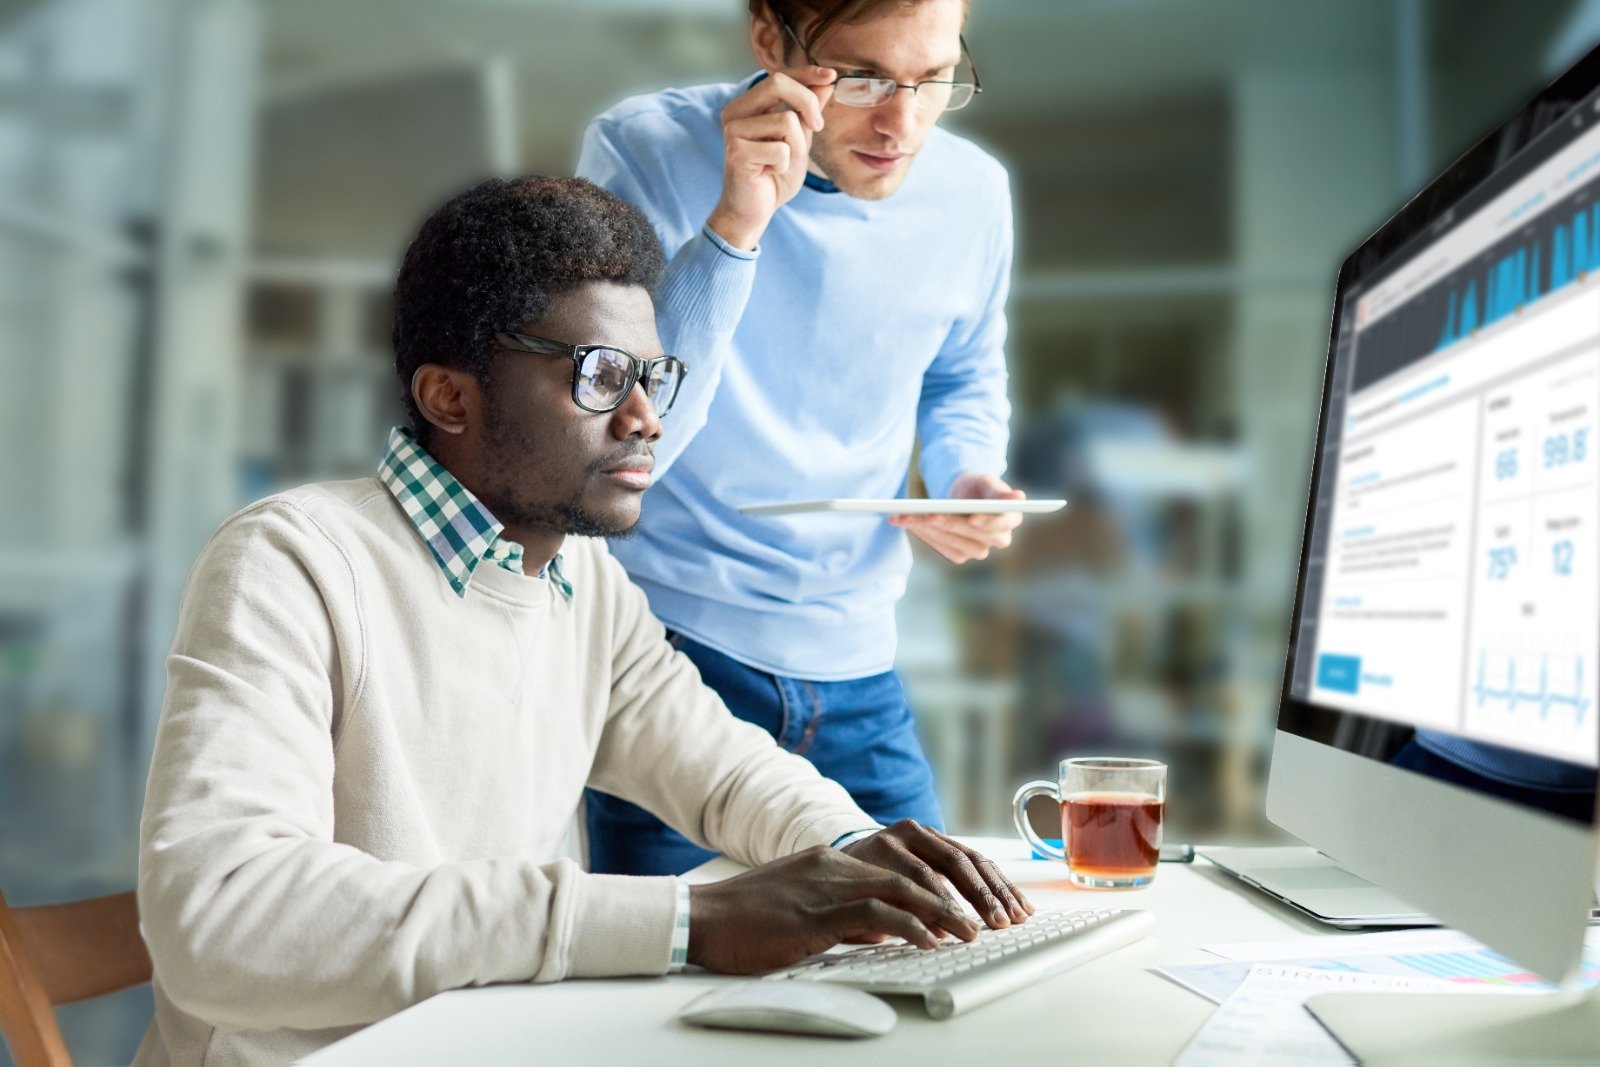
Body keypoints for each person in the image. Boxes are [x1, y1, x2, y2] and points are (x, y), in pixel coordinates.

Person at [133, 176, 1031, 1067]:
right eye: (600, 375)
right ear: (450, 397)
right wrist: (688, 922)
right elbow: (222, 919)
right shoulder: (290, 560)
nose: (646, 418)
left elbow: (723, 769)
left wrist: (857, 851)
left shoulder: (581, 577)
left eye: (653, 376)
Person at [578, 0, 1025, 877]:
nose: (901, 125)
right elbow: (627, 443)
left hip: (859, 660)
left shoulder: (974, 193)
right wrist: (735, 227)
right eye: (861, 79)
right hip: (671, 660)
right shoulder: (644, 151)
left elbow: (960, 373)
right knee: (668, 960)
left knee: (954, 933)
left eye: (933, 79)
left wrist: (966, 473)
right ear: (767, 39)